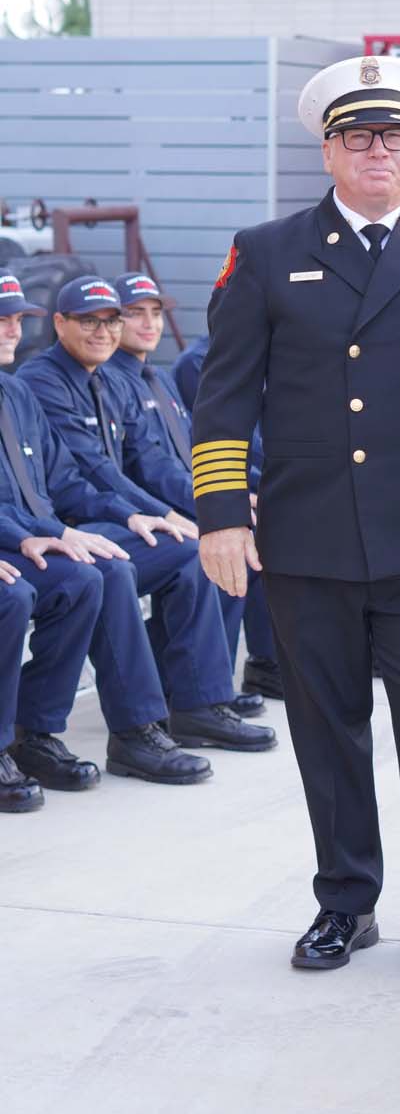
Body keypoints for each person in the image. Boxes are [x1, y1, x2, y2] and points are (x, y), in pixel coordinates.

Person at [190, 55, 400, 978]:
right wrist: (218, 513)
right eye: (357, 135)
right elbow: (224, 392)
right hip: (310, 531)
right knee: (326, 725)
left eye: (394, 135)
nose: (377, 151)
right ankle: (345, 901)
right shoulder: (269, 249)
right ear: (328, 150)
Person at [18, 277, 275, 755]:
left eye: (109, 320)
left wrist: (209, 504)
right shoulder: (38, 382)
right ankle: (133, 727)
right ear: (59, 324)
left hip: (103, 519)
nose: (104, 331)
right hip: (72, 526)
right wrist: (155, 513)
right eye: (89, 321)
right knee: (126, 565)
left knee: (194, 549)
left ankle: (199, 701)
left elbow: (152, 458)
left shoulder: (114, 379)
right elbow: (85, 474)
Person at [0, 274, 214, 796]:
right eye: (0, 319)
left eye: (14, 319)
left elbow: (67, 480)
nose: (10, 330)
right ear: (61, 325)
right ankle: (23, 738)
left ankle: (49, 733)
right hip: (14, 538)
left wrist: (131, 516)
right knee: (44, 588)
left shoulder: (14, 393)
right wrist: (45, 532)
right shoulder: (40, 380)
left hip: (35, 531)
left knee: (116, 565)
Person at [109, 276, 278, 706]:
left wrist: (233, 492)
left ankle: (249, 668)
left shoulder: (158, 377)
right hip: (156, 510)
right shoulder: (116, 379)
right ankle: (198, 689)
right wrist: (215, 504)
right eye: (134, 313)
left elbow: (192, 447)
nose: (149, 323)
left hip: (184, 500)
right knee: (225, 542)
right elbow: (152, 468)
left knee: (259, 531)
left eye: (155, 313)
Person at [173, 332, 281, 698]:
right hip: (176, 501)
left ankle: (267, 664)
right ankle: (200, 698)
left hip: (214, 488)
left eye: (155, 314)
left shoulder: (150, 379)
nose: (149, 324)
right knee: (218, 547)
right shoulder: (195, 362)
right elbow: (212, 442)